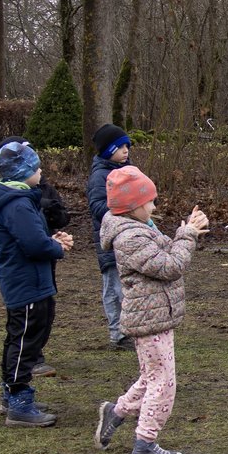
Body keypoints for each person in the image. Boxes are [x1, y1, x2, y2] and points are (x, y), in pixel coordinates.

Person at [94, 165, 207, 454]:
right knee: (163, 383)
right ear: (133, 206)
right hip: (149, 320)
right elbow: (170, 266)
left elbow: (165, 252)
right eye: (150, 202)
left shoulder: (140, 229)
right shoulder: (130, 237)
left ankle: (115, 413)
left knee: (151, 377)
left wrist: (187, 231)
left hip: (156, 316)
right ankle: (145, 442)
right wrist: (188, 236)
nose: (154, 207)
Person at [0, 140, 74, 427]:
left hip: (30, 280)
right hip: (26, 282)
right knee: (25, 340)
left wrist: (51, 240)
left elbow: (32, 238)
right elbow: (32, 244)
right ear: (23, 172)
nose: (41, 170)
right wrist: (55, 248)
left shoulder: (18, 200)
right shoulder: (17, 204)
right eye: (36, 165)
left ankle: (14, 395)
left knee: (23, 337)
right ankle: (18, 399)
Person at [87, 123, 134, 351]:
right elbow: (96, 205)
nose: (126, 151)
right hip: (109, 242)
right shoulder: (100, 176)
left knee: (126, 286)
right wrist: (121, 211)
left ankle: (130, 330)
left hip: (128, 238)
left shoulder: (127, 171)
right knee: (114, 288)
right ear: (108, 150)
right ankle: (119, 333)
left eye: (127, 146)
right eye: (120, 147)